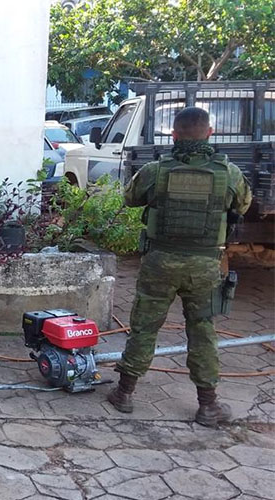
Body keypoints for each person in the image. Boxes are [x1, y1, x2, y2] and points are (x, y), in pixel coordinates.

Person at [107, 106, 252, 427]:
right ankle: (208, 405)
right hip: (204, 264)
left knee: (145, 326)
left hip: (160, 261)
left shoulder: (157, 170)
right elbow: (243, 204)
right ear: (210, 133)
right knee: (202, 329)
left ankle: (125, 393)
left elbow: (130, 198)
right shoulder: (228, 173)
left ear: (173, 135)